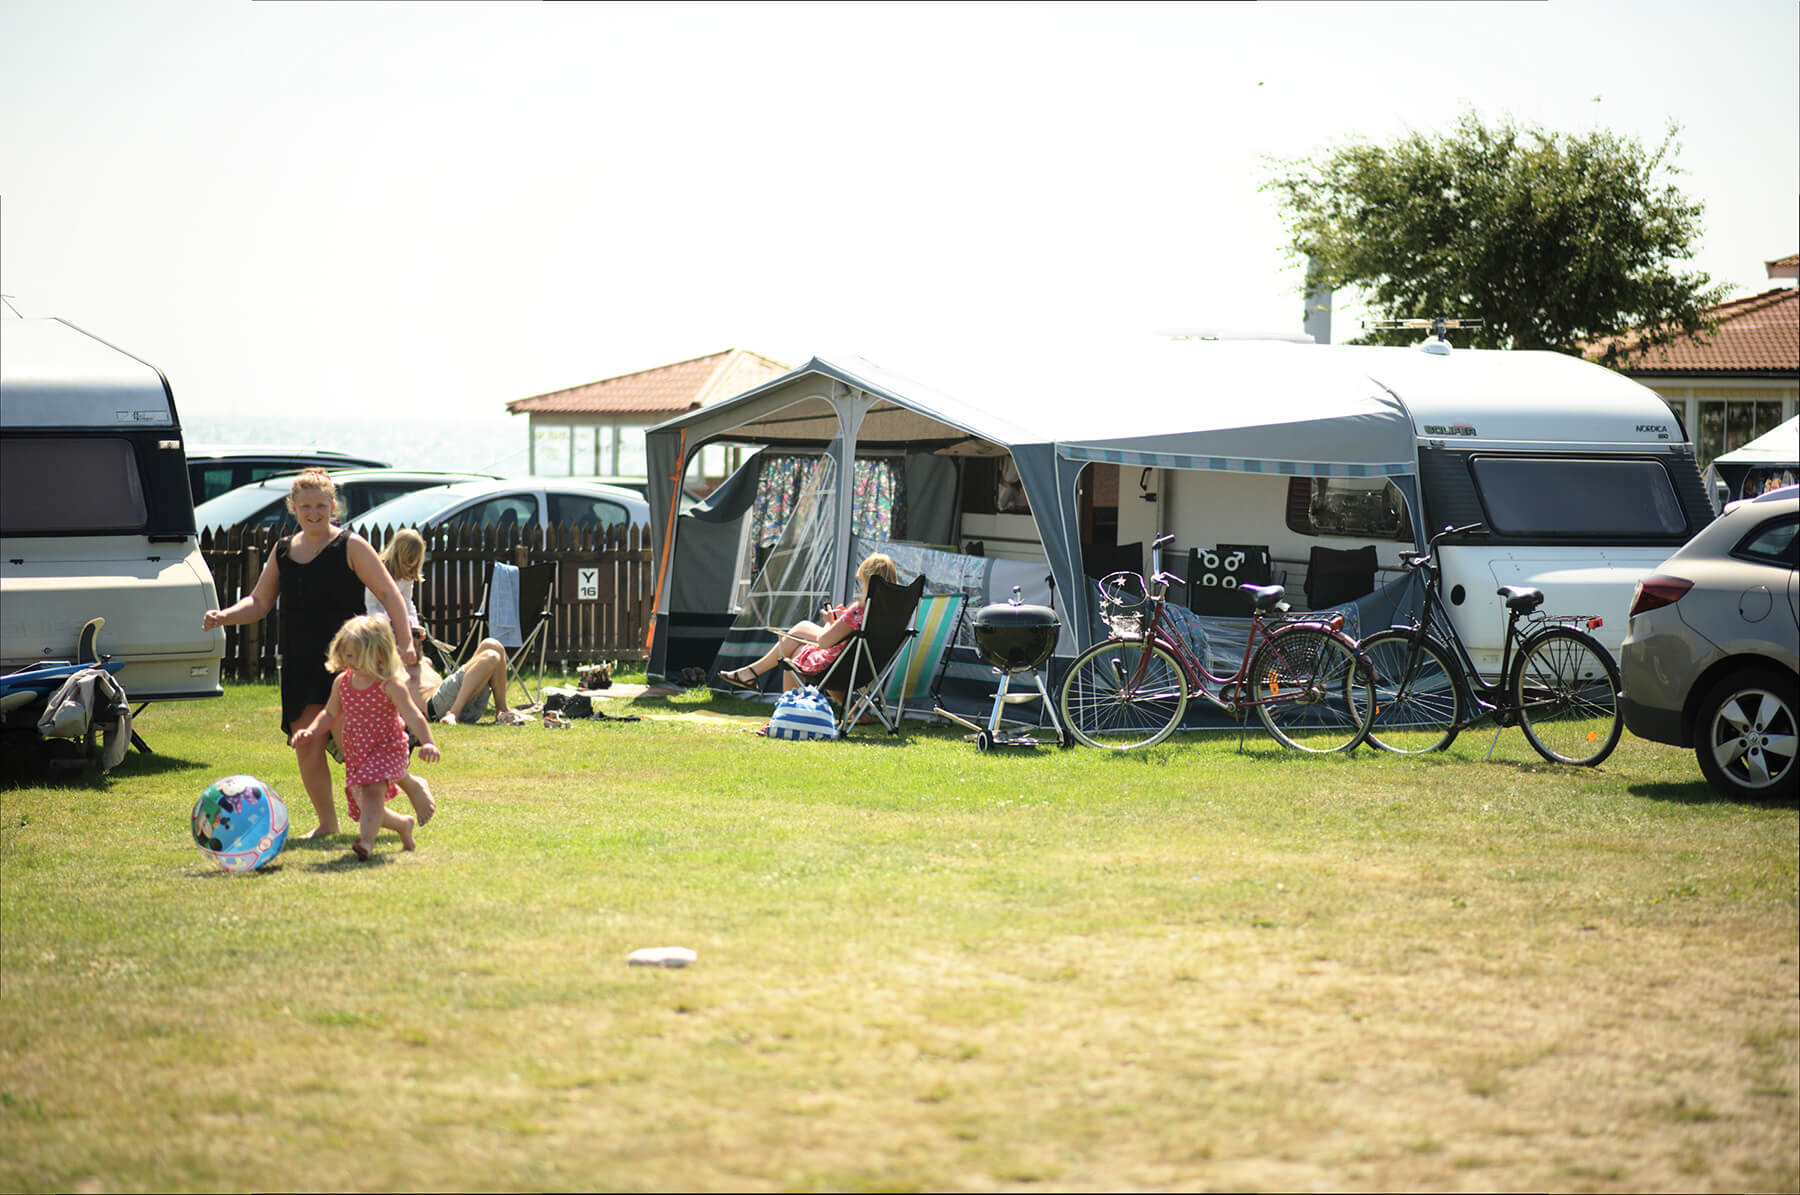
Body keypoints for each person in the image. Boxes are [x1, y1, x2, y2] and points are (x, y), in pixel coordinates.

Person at [202, 470, 417, 838]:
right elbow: (259, 602)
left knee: (358, 747)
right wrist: (225, 615)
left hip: (350, 662)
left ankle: (404, 794)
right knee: (307, 744)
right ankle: (327, 824)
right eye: (306, 506)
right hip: (300, 662)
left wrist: (405, 640)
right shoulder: (283, 551)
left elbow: (388, 592)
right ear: (293, 508)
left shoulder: (351, 545)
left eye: (321, 505)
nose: (314, 512)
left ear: (333, 506)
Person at [290, 616, 440, 861]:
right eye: (348, 655)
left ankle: (366, 842)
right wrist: (312, 731)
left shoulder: (389, 685)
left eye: (359, 656)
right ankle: (403, 825)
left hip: (387, 747)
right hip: (359, 751)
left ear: (379, 654)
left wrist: (428, 742)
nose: (353, 662)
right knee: (364, 806)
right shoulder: (342, 683)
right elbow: (329, 713)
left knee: (372, 794)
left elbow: (413, 716)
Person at [716, 553, 899, 693]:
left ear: (869, 582)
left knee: (795, 653)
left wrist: (830, 622)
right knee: (799, 642)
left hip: (840, 667)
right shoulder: (890, 613)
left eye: (862, 581)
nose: (861, 586)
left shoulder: (860, 609)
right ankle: (855, 713)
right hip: (867, 669)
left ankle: (783, 706)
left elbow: (824, 642)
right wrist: (844, 623)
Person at [366, 527, 429, 713]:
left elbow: (407, 602)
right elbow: (371, 605)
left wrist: (413, 624)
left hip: (396, 623)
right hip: (378, 624)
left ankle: (405, 701)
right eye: (407, 561)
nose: (410, 565)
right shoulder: (378, 569)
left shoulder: (408, 574)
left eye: (414, 562)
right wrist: (389, 624)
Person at [419, 637, 528, 726]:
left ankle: (502, 710)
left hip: (460, 703)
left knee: (493, 644)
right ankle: (453, 713)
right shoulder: (408, 665)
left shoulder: (421, 662)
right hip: (438, 708)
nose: (418, 640)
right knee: (492, 656)